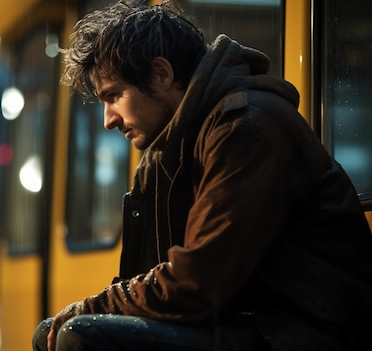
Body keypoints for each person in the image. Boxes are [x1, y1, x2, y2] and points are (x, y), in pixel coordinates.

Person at [32, 1, 372, 350]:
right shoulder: (165, 151)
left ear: (161, 74)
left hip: (305, 332)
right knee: (54, 333)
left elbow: (198, 281)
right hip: (251, 325)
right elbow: (149, 280)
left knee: (82, 336)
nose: (108, 120)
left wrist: (88, 308)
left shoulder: (246, 127)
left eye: (114, 96)